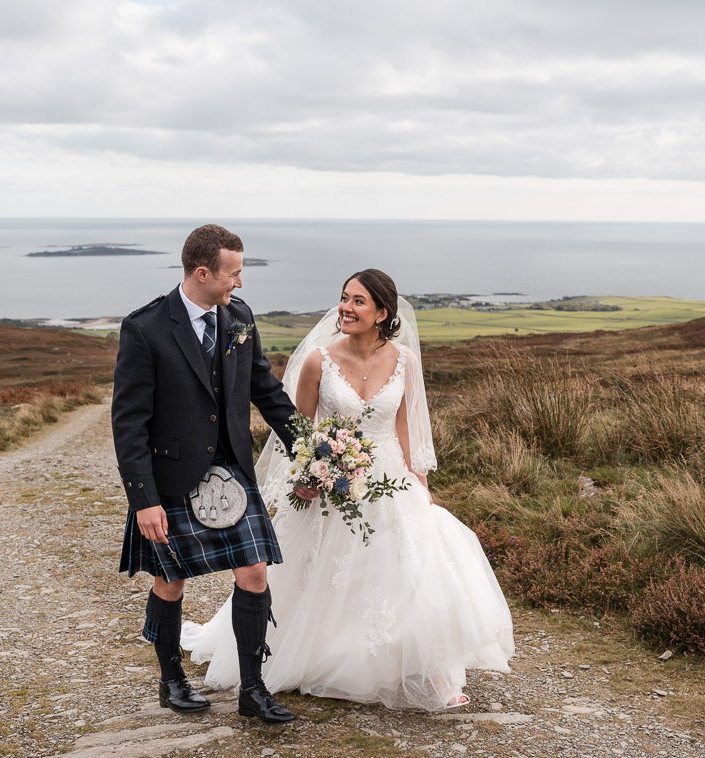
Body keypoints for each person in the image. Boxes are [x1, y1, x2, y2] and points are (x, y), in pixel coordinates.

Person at [184, 269, 515, 711]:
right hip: (329, 481)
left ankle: (431, 672)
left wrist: (421, 484)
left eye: (358, 301)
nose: (345, 307)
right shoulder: (319, 361)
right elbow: (297, 430)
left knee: (413, 570)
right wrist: (307, 474)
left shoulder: (405, 362)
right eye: (344, 298)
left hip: (390, 480)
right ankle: (315, 656)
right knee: (323, 572)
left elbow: (405, 430)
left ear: (382, 313)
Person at [112, 223, 312, 725]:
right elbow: (129, 422)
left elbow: (265, 391)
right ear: (203, 273)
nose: (239, 284)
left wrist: (309, 451)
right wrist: (144, 500)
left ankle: (253, 688)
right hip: (172, 478)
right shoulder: (146, 329)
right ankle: (171, 680)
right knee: (170, 580)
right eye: (234, 274)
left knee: (255, 573)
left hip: (232, 470)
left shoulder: (239, 318)